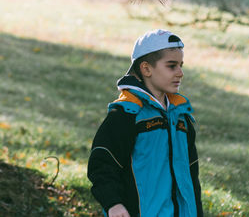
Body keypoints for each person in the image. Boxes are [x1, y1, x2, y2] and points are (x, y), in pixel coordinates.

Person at [87, 29, 203, 217]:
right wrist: (113, 204)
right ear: (146, 68)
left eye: (181, 65)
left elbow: (192, 177)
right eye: (171, 66)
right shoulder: (125, 115)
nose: (180, 73)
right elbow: (102, 163)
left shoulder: (182, 117)